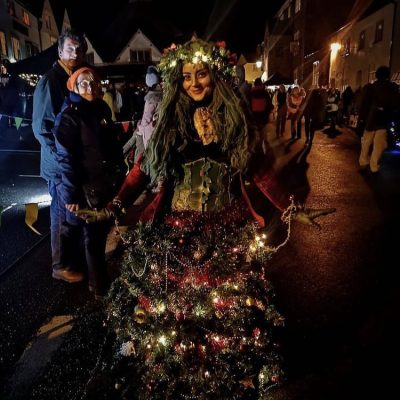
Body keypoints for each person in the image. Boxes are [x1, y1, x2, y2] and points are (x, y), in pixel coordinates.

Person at [78, 39, 334, 398]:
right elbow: (142, 172)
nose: (194, 83)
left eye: (201, 74)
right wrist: (113, 207)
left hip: (224, 227)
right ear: (176, 81)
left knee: (229, 312)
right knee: (170, 313)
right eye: (186, 77)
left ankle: (227, 372)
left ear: (214, 76)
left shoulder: (234, 122)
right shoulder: (170, 123)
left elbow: (259, 172)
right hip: (176, 230)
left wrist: (294, 208)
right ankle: (170, 373)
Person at [53, 67, 125, 299]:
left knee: (97, 234)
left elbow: (110, 144)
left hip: (103, 183)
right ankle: (100, 288)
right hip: (86, 187)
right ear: (73, 86)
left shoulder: (101, 108)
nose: (91, 86)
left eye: (94, 81)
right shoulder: (69, 116)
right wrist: (70, 195)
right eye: (84, 83)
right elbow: (66, 159)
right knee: (92, 238)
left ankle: (94, 279)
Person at [32, 28, 87, 283]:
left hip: (73, 163)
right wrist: (63, 160)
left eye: (78, 49)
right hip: (59, 166)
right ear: (60, 51)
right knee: (61, 216)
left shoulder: (75, 78)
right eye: (69, 49)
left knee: (73, 215)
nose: (74, 53)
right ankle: (60, 265)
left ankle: (72, 260)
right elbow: (42, 128)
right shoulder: (50, 81)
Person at [358, 65, 400, 174]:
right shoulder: (392, 88)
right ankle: (374, 165)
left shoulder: (370, 87)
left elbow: (363, 104)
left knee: (366, 142)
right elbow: (396, 104)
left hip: (371, 119)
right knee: (379, 145)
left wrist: (362, 117)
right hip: (383, 120)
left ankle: (363, 162)